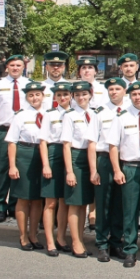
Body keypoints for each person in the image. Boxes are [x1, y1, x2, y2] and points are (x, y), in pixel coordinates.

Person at [109, 82, 140, 269]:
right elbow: (112, 146)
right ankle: (130, 249)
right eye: (134, 94)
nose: (137, 97)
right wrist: (117, 170)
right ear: (130, 96)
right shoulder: (121, 117)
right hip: (130, 167)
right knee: (129, 211)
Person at [6, 82, 52, 252]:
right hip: (25, 154)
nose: (34, 98)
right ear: (27, 97)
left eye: (37, 94)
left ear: (43, 96)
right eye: (31, 95)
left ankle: (34, 234)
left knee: (38, 198)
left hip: (44, 155)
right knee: (24, 198)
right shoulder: (21, 116)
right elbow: (12, 142)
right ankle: (23, 235)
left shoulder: (49, 114)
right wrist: (12, 165)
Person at [0, 54, 32, 223]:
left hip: (23, 132)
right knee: (2, 170)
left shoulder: (30, 85)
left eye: (18, 65)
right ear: (7, 68)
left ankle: (14, 205)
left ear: (23, 67)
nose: (15, 68)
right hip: (4, 131)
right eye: (12, 65)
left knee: (18, 168)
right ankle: (0, 207)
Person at [58, 81, 99, 258]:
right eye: (77, 95)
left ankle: (80, 239)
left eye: (84, 94)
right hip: (76, 158)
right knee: (75, 203)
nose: (81, 98)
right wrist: (69, 171)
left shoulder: (95, 114)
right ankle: (75, 242)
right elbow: (66, 145)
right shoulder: (70, 116)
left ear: (90, 95)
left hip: (92, 157)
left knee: (84, 203)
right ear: (73, 97)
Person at [90, 77, 128, 261]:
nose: (114, 92)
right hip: (104, 160)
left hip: (125, 161)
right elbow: (91, 142)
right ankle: (102, 244)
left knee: (120, 204)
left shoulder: (131, 110)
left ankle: (116, 242)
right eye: (111, 89)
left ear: (124, 90)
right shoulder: (100, 112)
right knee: (103, 203)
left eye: (117, 89)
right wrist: (93, 170)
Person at [40, 81, 72, 254]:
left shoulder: (76, 114)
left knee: (65, 201)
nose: (62, 97)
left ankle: (61, 237)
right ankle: (50, 241)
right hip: (54, 154)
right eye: (59, 95)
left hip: (70, 155)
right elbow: (43, 141)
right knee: (51, 202)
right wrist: (46, 164)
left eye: (65, 94)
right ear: (54, 97)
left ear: (71, 96)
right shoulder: (49, 114)